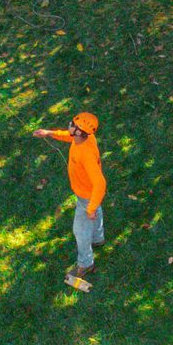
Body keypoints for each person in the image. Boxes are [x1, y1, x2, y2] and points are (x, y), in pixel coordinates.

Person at [34, 112, 105, 281]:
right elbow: (69, 136)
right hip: (88, 195)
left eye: (73, 124)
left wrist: (91, 207)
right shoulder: (84, 138)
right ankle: (98, 238)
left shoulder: (85, 155)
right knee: (96, 213)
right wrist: (50, 133)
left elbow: (100, 184)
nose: (69, 125)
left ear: (80, 132)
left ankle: (86, 263)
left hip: (86, 196)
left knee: (80, 231)